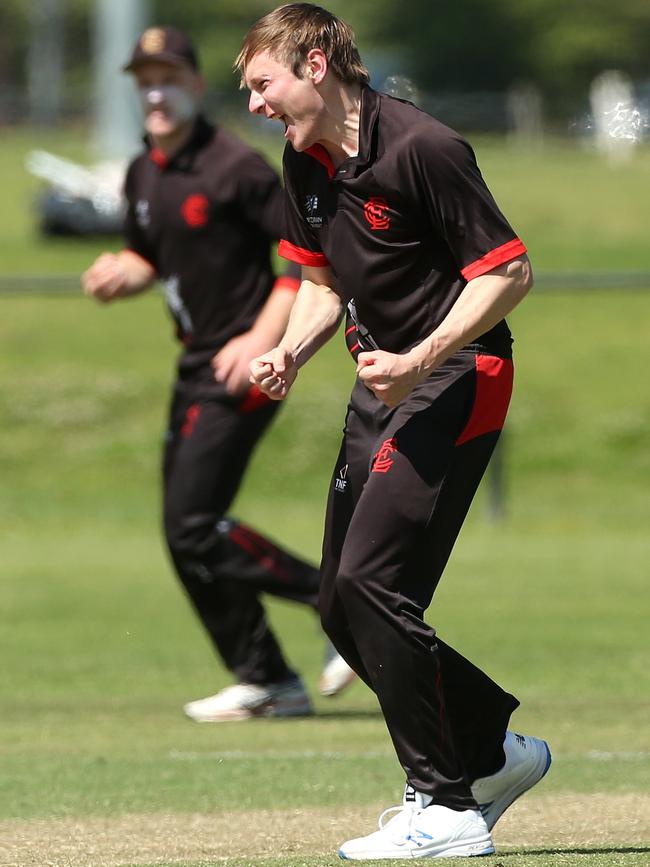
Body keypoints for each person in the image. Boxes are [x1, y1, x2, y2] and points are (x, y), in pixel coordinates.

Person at [237, 3, 551, 858]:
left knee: (375, 584)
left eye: (262, 84)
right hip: (386, 382)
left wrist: (425, 353)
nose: (256, 104)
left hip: (459, 374)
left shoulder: (424, 147)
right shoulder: (301, 159)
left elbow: (509, 272)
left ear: (313, 64)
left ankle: (446, 806)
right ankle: (488, 751)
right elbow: (322, 282)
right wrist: (291, 352)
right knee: (342, 600)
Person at [81, 25, 356, 723]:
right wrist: (125, 270)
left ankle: (344, 607)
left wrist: (263, 339)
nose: (155, 90)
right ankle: (267, 678)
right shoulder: (145, 170)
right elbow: (150, 253)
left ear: (196, 86)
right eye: (144, 78)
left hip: (247, 364)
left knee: (194, 523)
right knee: (185, 536)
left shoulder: (236, 165)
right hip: (193, 363)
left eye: (169, 75)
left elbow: (305, 259)